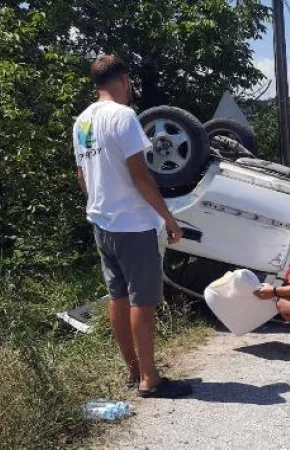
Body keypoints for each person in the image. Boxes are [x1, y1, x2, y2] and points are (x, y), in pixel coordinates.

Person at [72, 55, 192, 398]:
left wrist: (99, 204)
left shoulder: (82, 121)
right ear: (124, 81)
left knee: (118, 296)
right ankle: (150, 379)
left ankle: (133, 370)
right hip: (133, 224)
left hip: (101, 222)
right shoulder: (123, 117)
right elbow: (141, 175)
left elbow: (82, 175)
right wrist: (169, 219)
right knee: (144, 301)